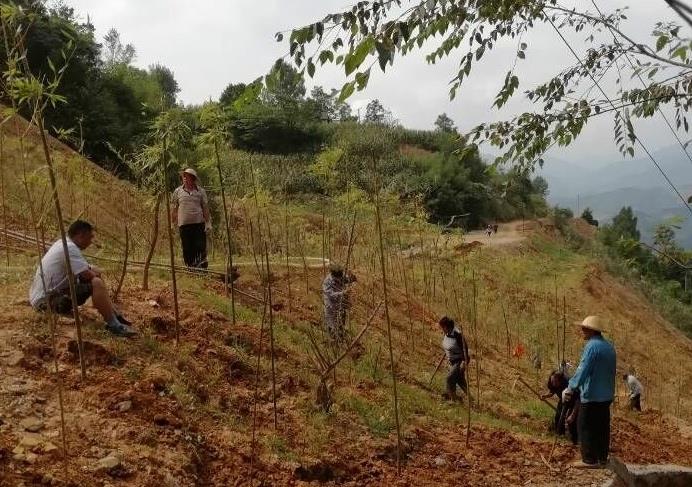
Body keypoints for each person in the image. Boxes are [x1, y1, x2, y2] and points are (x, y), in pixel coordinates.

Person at [29, 220, 136, 337]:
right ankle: (114, 325)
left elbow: (86, 269)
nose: (90, 242)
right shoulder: (70, 248)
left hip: (43, 297)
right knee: (96, 282)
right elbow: (87, 275)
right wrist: (96, 276)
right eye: (90, 237)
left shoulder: (62, 243)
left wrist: (94, 271)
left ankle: (113, 313)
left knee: (94, 274)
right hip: (46, 303)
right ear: (80, 236)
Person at [562, 316, 616, 468]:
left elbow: (582, 370)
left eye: (584, 328)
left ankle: (589, 459)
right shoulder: (609, 347)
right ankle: (602, 457)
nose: (582, 331)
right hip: (606, 395)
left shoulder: (591, 347)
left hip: (592, 395)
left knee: (585, 425)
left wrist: (570, 387)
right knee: (602, 427)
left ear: (591, 330)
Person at [171, 168, 210, 269]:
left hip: (198, 223)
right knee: (187, 247)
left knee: (200, 246)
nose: (184, 178)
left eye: (187, 176)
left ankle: (202, 268)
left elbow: (205, 207)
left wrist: (208, 223)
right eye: (183, 176)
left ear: (193, 179)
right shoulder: (177, 191)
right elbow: (174, 208)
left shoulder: (201, 191)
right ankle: (190, 268)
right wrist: (172, 223)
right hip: (184, 224)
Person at [542, 370, 579, 444]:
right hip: (563, 399)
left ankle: (575, 441)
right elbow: (552, 391)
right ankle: (560, 435)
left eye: (555, 382)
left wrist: (573, 415)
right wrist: (545, 396)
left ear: (561, 381)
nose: (554, 384)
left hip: (574, 401)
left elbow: (578, 400)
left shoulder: (570, 385)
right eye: (552, 382)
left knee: (572, 421)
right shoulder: (553, 383)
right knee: (558, 416)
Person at [439, 316, 469, 402]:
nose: (441, 329)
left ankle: (453, 398)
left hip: (459, 360)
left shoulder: (457, 334)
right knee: (460, 380)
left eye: (442, 327)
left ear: (446, 327)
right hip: (452, 360)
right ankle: (471, 400)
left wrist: (464, 362)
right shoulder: (447, 333)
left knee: (450, 378)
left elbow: (465, 349)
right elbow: (449, 344)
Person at [322, 264, 354, 341]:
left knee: (342, 318)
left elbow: (349, 279)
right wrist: (343, 293)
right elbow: (330, 295)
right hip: (331, 305)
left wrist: (352, 276)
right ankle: (333, 338)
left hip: (341, 303)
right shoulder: (327, 281)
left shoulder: (341, 276)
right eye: (338, 277)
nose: (340, 278)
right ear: (333, 275)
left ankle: (341, 333)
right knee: (332, 322)